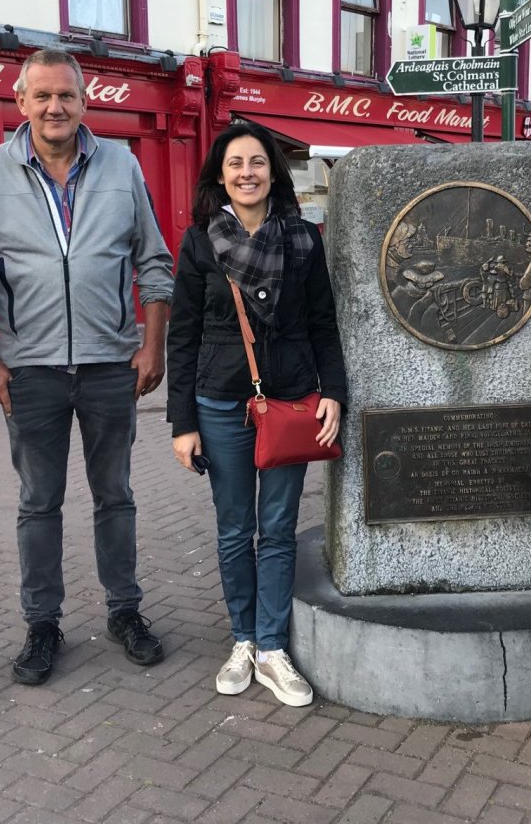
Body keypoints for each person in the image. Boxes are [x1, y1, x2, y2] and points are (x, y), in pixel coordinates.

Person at [0, 48, 174, 686]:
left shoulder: (121, 164)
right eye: (42, 96)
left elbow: (153, 260)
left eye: (67, 96)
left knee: (116, 496)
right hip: (30, 372)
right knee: (38, 502)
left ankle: (124, 611)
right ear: (20, 103)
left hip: (110, 364)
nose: (55, 107)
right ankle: (42, 622)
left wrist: (151, 344)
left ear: (85, 102)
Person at [167, 123, 346, 708]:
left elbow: (324, 321)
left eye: (258, 163)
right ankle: (242, 638)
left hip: (292, 399)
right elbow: (183, 335)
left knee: (277, 530)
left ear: (275, 172)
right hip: (218, 401)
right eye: (235, 164)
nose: (247, 173)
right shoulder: (199, 242)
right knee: (233, 528)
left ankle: (271, 647)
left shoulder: (303, 240)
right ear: (219, 175)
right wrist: (181, 423)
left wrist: (333, 392)